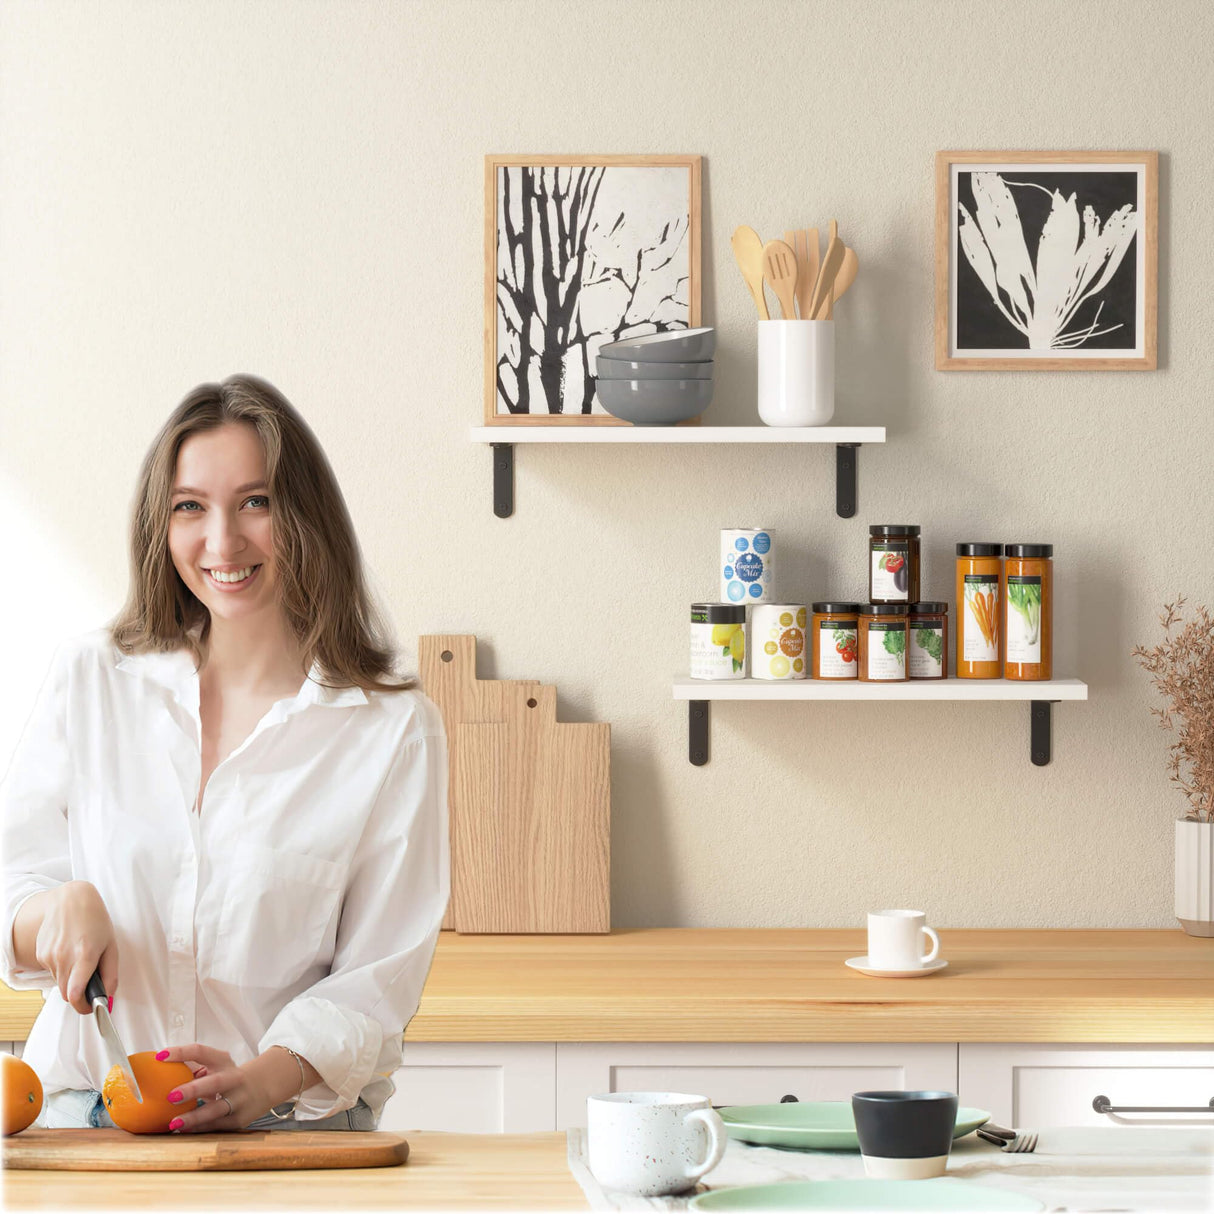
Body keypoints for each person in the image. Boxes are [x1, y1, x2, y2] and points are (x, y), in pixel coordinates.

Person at [0, 374, 449, 1131]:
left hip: (284, 1128)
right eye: (189, 507)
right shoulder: (93, 681)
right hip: (81, 1119)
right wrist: (54, 912)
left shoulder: (391, 729)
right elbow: (13, 891)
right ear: (161, 524)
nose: (222, 542)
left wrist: (259, 1082)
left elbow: (378, 981)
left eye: (256, 501)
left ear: (305, 515)